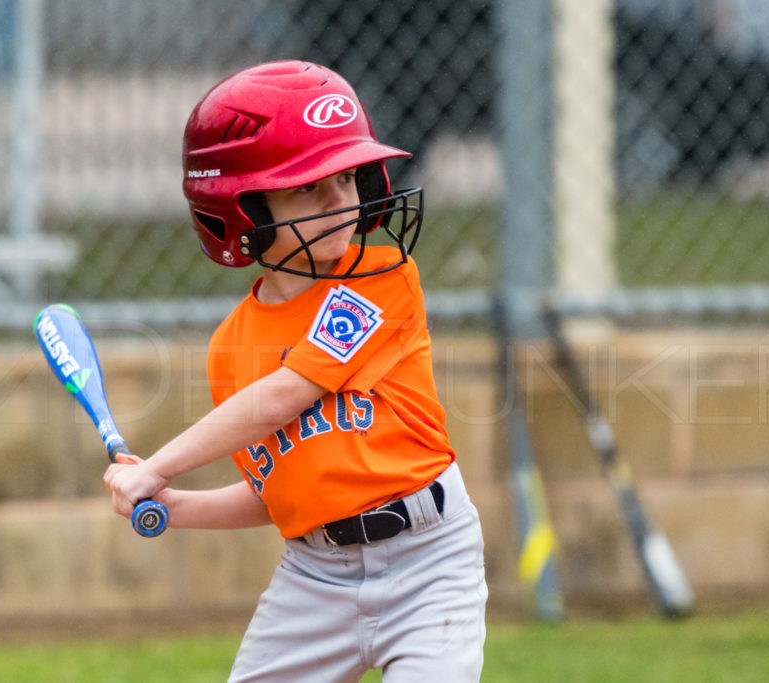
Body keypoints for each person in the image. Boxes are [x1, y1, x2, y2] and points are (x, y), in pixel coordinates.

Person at [104, 59, 487, 682]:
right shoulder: (231, 348)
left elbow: (288, 394)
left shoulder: (383, 276)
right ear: (243, 212)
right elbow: (278, 491)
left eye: (348, 178)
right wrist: (171, 502)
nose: (341, 202)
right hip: (316, 578)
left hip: (429, 561)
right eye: (309, 187)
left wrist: (157, 465)